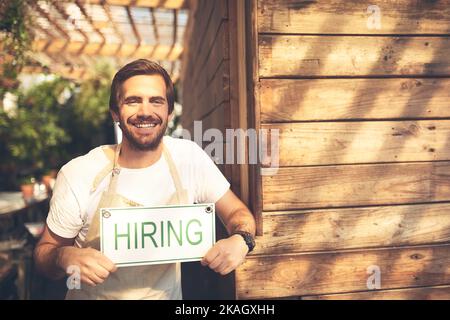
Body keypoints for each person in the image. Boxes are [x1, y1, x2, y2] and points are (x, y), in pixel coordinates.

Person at [33, 59, 256, 300]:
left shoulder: (189, 158)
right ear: (115, 113)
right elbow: (44, 255)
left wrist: (241, 240)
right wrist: (63, 257)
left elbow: (238, 214)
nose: (145, 112)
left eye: (156, 101)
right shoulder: (80, 172)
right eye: (133, 100)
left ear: (169, 112)